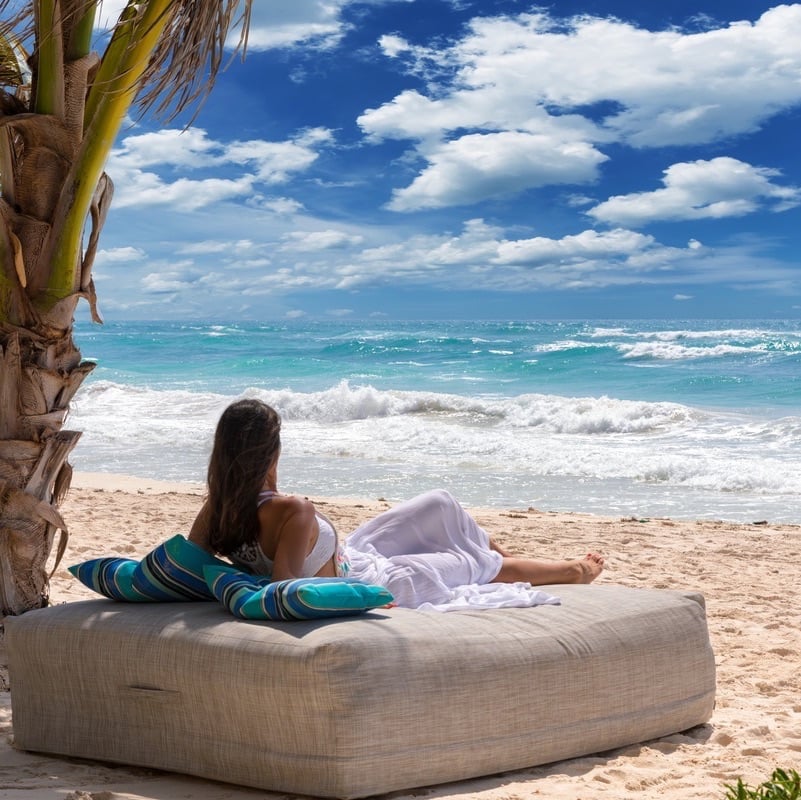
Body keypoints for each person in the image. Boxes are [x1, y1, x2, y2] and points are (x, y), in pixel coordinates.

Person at [189, 398, 604, 609]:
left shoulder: (219, 508)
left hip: (357, 553)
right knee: (477, 565)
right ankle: (574, 570)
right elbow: (285, 590)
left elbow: (189, 565)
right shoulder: (293, 510)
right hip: (386, 580)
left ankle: (511, 560)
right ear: (271, 451)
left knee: (440, 503)